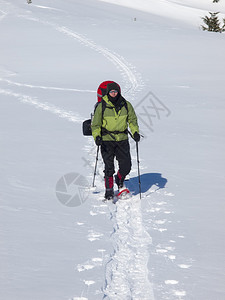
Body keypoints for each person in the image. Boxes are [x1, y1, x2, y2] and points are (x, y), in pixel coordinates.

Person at [91, 81, 140, 200]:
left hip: (122, 139)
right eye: (111, 92)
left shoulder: (126, 105)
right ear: (108, 93)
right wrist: (97, 136)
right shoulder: (102, 106)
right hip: (107, 140)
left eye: (115, 91)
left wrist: (135, 132)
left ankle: (119, 178)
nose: (114, 94)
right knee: (109, 167)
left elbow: (132, 121)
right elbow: (96, 124)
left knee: (126, 166)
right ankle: (109, 190)